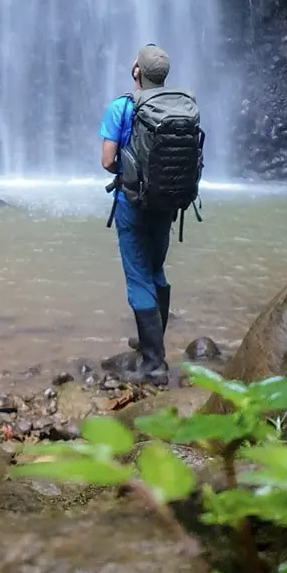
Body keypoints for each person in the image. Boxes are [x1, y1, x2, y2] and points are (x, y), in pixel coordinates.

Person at [99, 44, 176, 383]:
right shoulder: (183, 109)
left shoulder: (121, 107)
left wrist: (130, 174)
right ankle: (152, 341)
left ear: (136, 72)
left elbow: (107, 161)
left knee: (138, 276)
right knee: (156, 268)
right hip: (169, 203)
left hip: (133, 203)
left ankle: (154, 364)